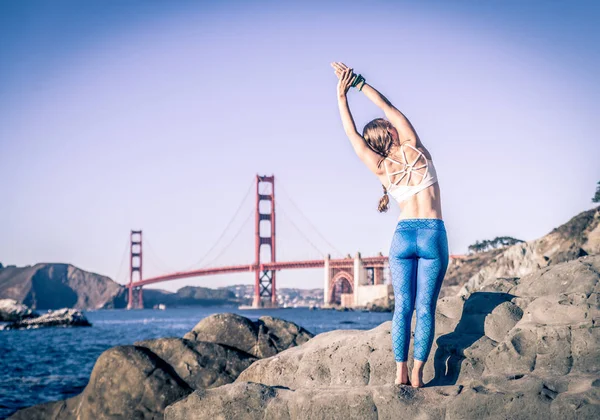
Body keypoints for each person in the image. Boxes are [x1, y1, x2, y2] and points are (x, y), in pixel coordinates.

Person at [331, 62, 449, 388]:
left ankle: (398, 373)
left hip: (402, 236)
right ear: (392, 131)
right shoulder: (413, 145)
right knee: (424, 309)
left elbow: (351, 135)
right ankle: (418, 375)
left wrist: (340, 96)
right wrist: (357, 83)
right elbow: (387, 106)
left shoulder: (381, 167)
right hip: (432, 234)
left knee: (403, 309)